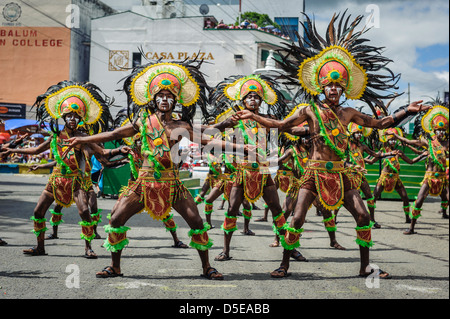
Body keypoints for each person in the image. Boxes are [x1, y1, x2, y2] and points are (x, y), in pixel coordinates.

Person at [232, 11, 429, 279]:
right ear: (321, 88)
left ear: (343, 89)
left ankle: (365, 267)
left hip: (340, 172)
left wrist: (408, 111)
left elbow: (381, 124)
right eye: (329, 86)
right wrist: (253, 116)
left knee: (362, 216)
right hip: (313, 173)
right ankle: (284, 264)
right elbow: (281, 125)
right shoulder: (310, 111)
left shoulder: (349, 113)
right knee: (298, 218)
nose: (333, 90)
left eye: (338, 86)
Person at [64, 61, 242, 279]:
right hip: (144, 183)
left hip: (172, 184)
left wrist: (243, 147)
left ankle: (207, 267)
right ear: (153, 98)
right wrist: (82, 139)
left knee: (196, 222)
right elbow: (113, 135)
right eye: (160, 95)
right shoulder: (142, 123)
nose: (164, 100)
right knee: (115, 219)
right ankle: (115, 267)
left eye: (169, 96)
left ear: (175, 100)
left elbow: (206, 140)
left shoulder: (181, 126)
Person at [4, 81, 115, 258]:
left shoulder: (82, 136)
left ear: (80, 119)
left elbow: (101, 151)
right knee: (38, 212)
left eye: (76, 116)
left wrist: (119, 152)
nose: (72, 119)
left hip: (75, 181)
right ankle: (40, 247)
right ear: (63, 116)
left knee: (85, 212)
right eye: (69, 115)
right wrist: (14, 149)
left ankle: (88, 248)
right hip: (55, 181)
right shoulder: (56, 135)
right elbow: (36, 150)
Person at [211, 74, 289, 262]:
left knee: (277, 209)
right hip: (242, 171)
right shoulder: (235, 119)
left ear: (261, 100)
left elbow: (279, 135)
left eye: (256, 97)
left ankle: (290, 248)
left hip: (262, 171)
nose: (252, 99)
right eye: (249, 96)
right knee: (231, 210)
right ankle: (226, 250)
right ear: (243, 100)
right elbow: (215, 134)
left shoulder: (268, 119)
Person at [389, 104, 449, 233]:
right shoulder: (429, 143)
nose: (441, 133)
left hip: (443, 178)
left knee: (446, 198)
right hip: (429, 178)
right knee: (419, 200)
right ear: (434, 130)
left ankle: (444, 213)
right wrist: (398, 137)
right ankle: (411, 227)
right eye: (438, 130)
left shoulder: (447, 145)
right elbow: (411, 142)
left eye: (443, 130)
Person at [342, 122, 401, 228]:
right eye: (357, 133)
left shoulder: (363, 146)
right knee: (343, 199)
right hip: (349, 176)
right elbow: (343, 160)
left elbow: (375, 155)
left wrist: (389, 154)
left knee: (370, 196)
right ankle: (335, 218)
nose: (359, 135)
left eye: (361, 133)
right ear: (352, 134)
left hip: (360, 176)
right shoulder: (347, 145)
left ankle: (372, 220)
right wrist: (353, 166)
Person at [371, 127, 427, 224]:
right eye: (390, 140)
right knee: (374, 197)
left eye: (394, 139)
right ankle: (371, 219)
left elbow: (411, 161)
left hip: (396, 179)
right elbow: (372, 161)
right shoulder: (383, 151)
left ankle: (407, 218)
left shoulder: (399, 152)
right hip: (384, 178)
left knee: (405, 197)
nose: (392, 141)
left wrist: (422, 156)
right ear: (387, 140)